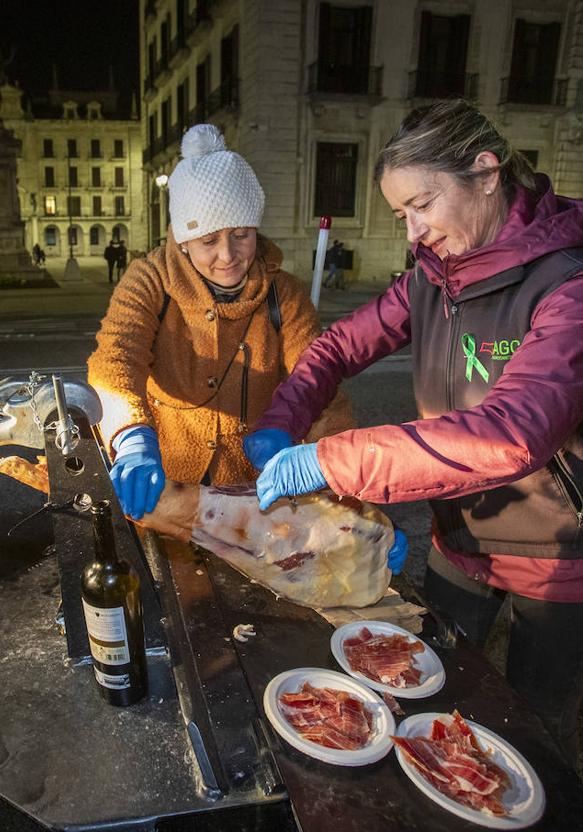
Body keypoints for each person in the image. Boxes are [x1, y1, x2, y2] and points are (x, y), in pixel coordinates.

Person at [245, 99, 583, 767]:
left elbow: (508, 434)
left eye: (421, 205)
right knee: (431, 693)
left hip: (557, 554)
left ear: (485, 173)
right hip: (458, 536)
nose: (413, 231)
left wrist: (332, 461)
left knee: (531, 726)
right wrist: (283, 417)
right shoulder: (433, 276)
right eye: (401, 215)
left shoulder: (565, 285)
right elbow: (340, 345)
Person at [87, 123, 355, 522]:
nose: (228, 255)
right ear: (183, 241)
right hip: (167, 490)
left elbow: (319, 388)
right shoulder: (149, 280)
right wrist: (130, 435)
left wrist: (347, 496)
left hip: (254, 496)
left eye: (242, 234)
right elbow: (115, 362)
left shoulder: (286, 294)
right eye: (209, 241)